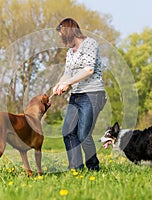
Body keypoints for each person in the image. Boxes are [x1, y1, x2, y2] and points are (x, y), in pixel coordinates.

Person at [53, 18, 106, 171]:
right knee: (68, 131)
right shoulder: (70, 52)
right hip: (76, 95)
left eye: (62, 35)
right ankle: (75, 168)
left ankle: (93, 167)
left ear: (69, 32)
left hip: (93, 94)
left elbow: (88, 70)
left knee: (83, 134)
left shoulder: (90, 44)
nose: (62, 40)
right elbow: (67, 73)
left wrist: (68, 83)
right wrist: (59, 84)